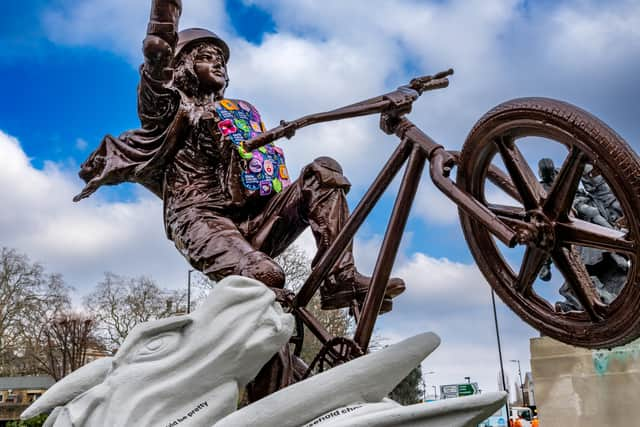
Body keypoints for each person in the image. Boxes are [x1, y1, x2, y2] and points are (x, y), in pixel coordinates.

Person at [74, 0, 405, 312]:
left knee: (323, 172)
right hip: (198, 217)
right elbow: (157, 47)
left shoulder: (235, 113)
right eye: (205, 56)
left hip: (253, 216)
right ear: (182, 66)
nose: (218, 63)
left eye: (221, 59)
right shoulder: (167, 109)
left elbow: (260, 172)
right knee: (267, 277)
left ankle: (340, 279)